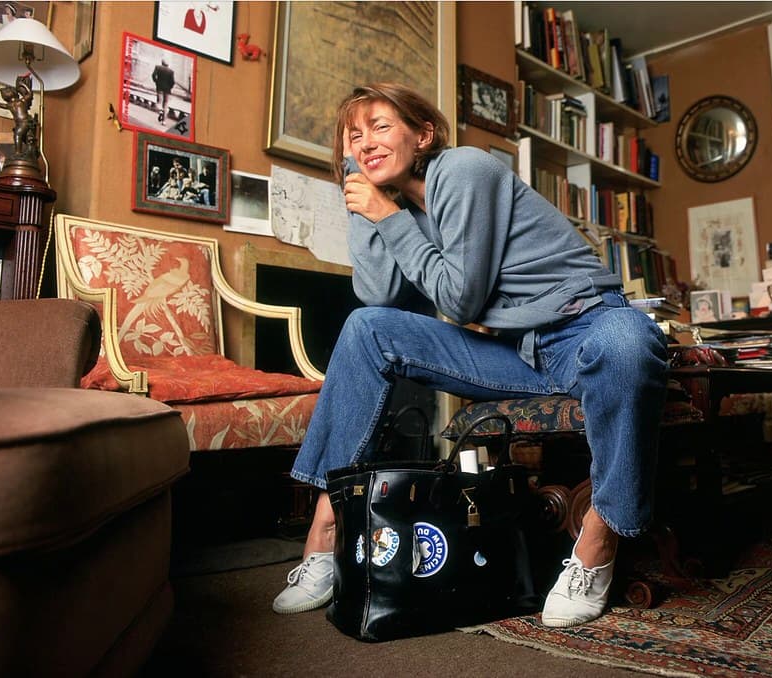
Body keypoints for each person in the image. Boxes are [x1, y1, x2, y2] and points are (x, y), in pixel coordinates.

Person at [271, 82, 668, 628]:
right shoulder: (398, 206)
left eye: (381, 127)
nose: (365, 143)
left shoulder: (462, 169)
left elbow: (461, 298)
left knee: (630, 341)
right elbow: (379, 295)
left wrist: (387, 216)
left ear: (424, 134)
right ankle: (327, 531)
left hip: (585, 329)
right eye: (353, 137)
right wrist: (367, 207)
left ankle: (599, 542)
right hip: (516, 354)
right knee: (367, 329)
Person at [152, 58, 175, 124]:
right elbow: (173, 82)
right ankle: (164, 121)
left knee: (159, 101)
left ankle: (160, 110)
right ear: (168, 64)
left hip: (160, 88)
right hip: (167, 90)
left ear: (162, 63)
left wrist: (156, 82)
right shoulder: (171, 71)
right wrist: (170, 87)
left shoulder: (158, 67)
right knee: (165, 104)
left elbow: (153, 75)